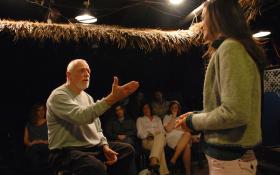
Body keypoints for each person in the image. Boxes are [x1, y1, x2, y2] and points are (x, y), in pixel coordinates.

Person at [175, 0, 266, 175]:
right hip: (232, 160)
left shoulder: (230, 48)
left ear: (218, 19)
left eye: (204, 17)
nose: (202, 24)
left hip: (231, 161)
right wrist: (197, 115)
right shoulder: (232, 48)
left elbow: (235, 113)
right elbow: (229, 108)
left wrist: (193, 122)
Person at [46, 59, 139, 175]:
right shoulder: (59, 95)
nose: (87, 74)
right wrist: (112, 98)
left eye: (88, 71)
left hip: (91, 148)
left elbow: (97, 128)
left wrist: (104, 145)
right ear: (68, 75)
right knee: (96, 167)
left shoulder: (88, 97)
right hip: (66, 151)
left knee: (127, 151)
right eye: (81, 71)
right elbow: (80, 116)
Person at [136, 102, 169, 175]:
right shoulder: (140, 119)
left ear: (150, 108)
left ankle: (153, 161)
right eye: (144, 108)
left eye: (147, 107)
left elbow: (163, 131)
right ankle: (163, 172)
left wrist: (157, 135)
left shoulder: (157, 118)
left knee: (160, 136)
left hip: (159, 138)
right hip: (147, 141)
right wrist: (147, 135)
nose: (146, 109)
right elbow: (139, 133)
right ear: (142, 110)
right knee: (160, 149)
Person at [163, 101, 192, 175]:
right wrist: (173, 116)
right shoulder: (167, 117)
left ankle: (174, 161)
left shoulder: (181, 117)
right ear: (170, 108)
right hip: (171, 137)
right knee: (188, 136)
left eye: (176, 107)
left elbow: (185, 130)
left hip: (182, 137)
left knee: (187, 146)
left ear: (178, 108)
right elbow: (169, 129)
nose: (174, 109)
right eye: (173, 107)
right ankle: (174, 160)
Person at [24, 103, 51, 175]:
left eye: (43, 110)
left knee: (34, 150)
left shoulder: (49, 122)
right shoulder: (29, 124)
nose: (42, 112)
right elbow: (26, 140)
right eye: (39, 110)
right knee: (35, 155)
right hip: (33, 147)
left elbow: (53, 137)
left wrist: (42, 141)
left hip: (45, 145)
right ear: (35, 112)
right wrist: (32, 143)